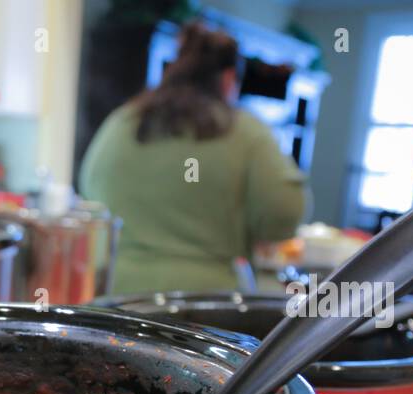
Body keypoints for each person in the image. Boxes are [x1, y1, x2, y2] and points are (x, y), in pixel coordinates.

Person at [78, 22, 306, 294]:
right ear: (228, 79)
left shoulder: (124, 119)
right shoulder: (245, 130)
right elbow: (285, 212)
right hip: (206, 302)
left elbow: (89, 187)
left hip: (118, 292)